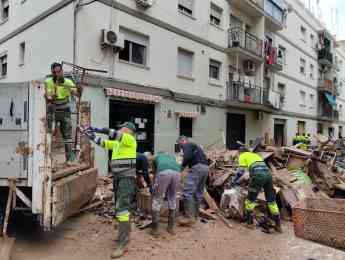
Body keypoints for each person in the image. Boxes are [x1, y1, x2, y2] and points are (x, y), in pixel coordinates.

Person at [82, 122, 137, 258]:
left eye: (123, 128)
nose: (120, 130)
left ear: (129, 131)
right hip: (119, 178)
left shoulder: (130, 139)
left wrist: (96, 128)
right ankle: (125, 236)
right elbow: (104, 143)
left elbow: (112, 133)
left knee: (122, 209)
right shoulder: (119, 144)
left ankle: (122, 244)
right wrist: (91, 136)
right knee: (121, 207)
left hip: (126, 178)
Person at [237, 141, 282, 233]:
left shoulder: (242, 156)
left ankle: (249, 223)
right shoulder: (256, 156)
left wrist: (235, 181)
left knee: (250, 200)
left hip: (258, 175)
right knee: (271, 201)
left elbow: (241, 172)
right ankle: (278, 226)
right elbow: (256, 167)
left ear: (240, 152)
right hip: (268, 175)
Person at [45, 62, 79, 165]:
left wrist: (78, 91)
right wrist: (51, 97)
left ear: (62, 71)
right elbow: (48, 96)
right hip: (53, 109)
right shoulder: (49, 82)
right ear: (52, 72)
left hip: (65, 110)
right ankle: (47, 159)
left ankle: (69, 159)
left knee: (67, 135)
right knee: (49, 134)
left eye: (59, 72)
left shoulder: (67, 82)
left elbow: (76, 93)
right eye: (55, 72)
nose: (57, 74)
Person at [145, 151, 181, 237]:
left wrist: (154, 188)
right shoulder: (171, 157)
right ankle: (170, 227)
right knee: (172, 198)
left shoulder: (155, 158)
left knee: (157, 199)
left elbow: (155, 175)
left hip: (164, 173)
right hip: (177, 173)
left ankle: (155, 230)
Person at [176, 136, 209, 226]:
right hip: (205, 168)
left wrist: (181, 168)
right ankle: (195, 216)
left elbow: (187, 157)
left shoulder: (188, 144)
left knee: (187, 192)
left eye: (180, 145)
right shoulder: (196, 147)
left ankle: (189, 218)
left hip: (197, 168)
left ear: (183, 141)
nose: (180, 147)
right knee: (198, 193)